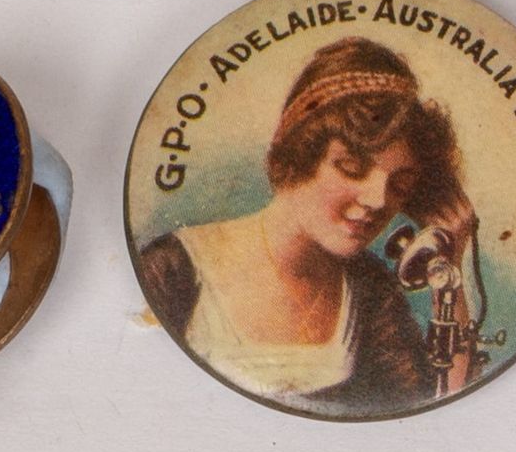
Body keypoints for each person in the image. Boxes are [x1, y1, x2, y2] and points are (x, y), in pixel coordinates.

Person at [137, 38, 476, 413]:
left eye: (400, 185)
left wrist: (450, 270)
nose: (378, 200)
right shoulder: (172, 268)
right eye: (351, 167)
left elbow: (431, 406)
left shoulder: (371, 293)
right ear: (300, 153)